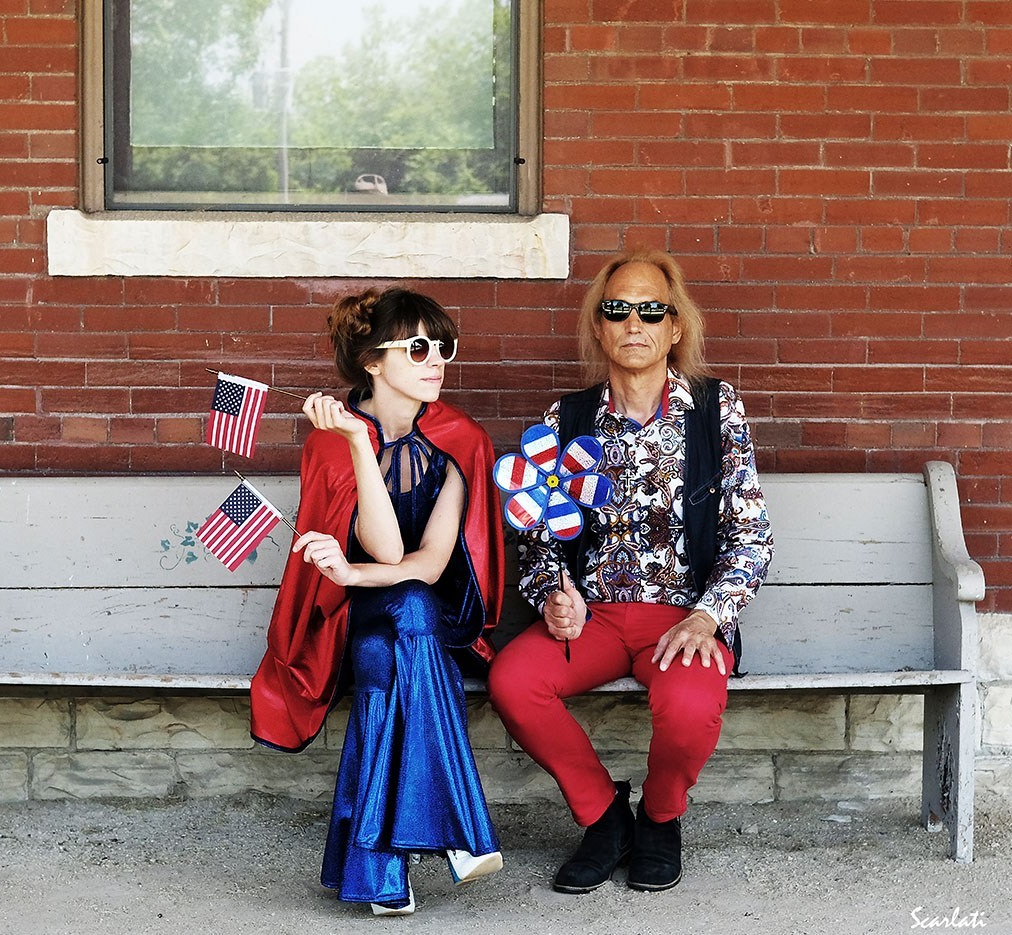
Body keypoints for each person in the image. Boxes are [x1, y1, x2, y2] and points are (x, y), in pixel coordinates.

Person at [488, 248, 774, 894]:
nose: (634, 323)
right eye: (618, 310)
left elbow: (751, 535)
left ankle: (661, 818)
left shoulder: (715, 410)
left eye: (651, 310)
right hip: (595, 618)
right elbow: (535, 533)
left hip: (682, 617)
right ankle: (603, 817)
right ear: (599, 327)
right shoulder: (567, 419)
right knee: (514, 680)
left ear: (675, 327)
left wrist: (709, 616)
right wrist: (553, 593)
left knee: (691, 705)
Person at [250, 287, 506, 916]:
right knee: (382, 639)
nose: (436, 361)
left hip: (433, 619)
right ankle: (461, 831)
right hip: (345, 618)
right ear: (372, 361)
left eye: (444, 346)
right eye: (417, 348)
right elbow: (387, 548)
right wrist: (360, 444)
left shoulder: (460, 437)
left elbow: (428, 565)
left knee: (397, 635)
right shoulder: (329, 440)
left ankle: (380, 872)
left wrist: (353, 572)